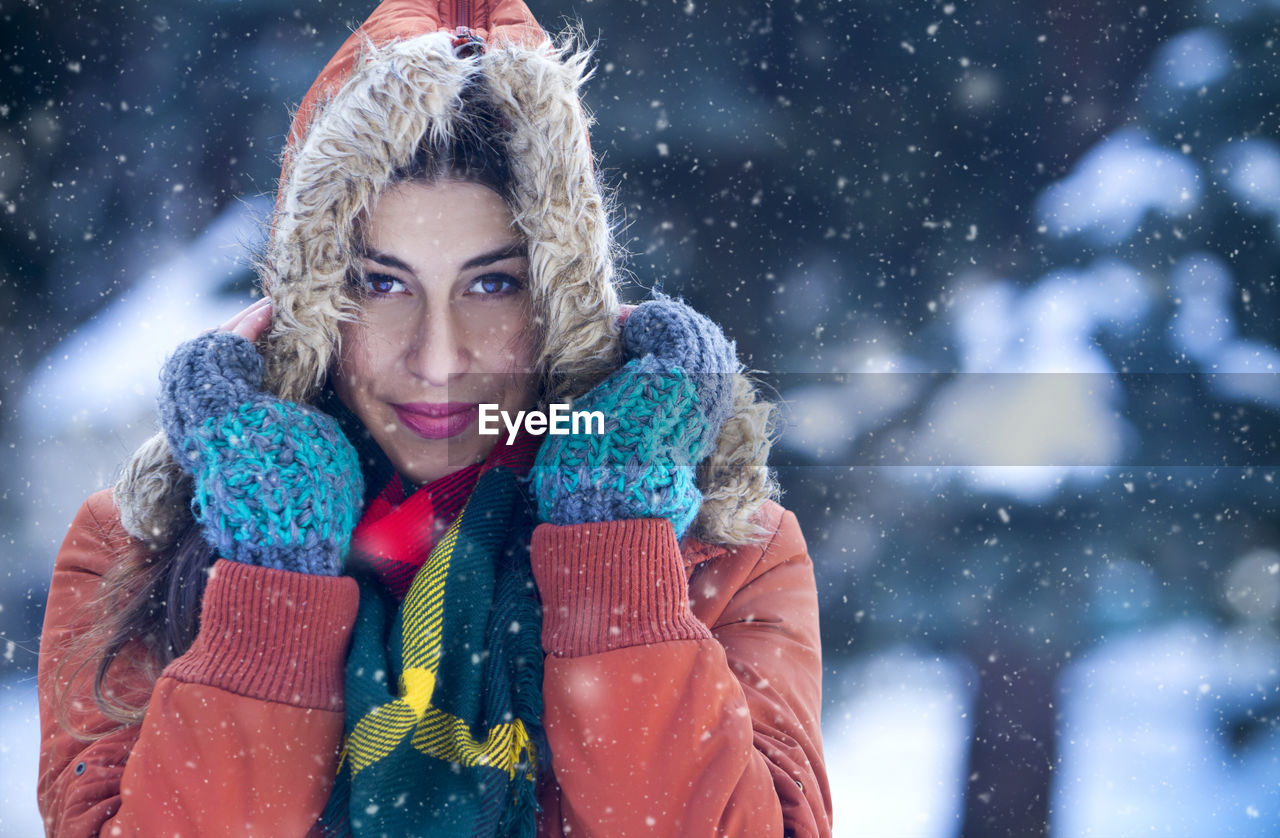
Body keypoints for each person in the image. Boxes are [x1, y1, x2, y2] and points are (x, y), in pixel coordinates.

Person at [36, 1, 832, 835]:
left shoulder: (726, 551)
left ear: (562, 300)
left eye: (493, 284)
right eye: (382, 283)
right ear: (311, 303)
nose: (440, 357)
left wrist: (616, 542)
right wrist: (272, 569)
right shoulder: (136, 550)